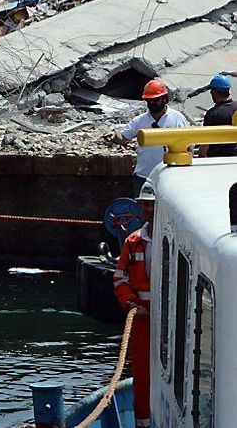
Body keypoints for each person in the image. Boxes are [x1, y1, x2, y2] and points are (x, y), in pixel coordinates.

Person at [113, 180, 156, 427]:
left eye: (153, 205)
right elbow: (120, 278)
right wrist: (130, 304)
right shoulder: (133, 241)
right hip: (141, 320)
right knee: (141, 373)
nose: (149, 210)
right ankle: (142, 423)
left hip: (171, 321)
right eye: (145, 205)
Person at [103, 79, 189, 196]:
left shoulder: (177, 118)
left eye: (155, 100)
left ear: (164, 99)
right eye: (149, 100)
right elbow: (124, 137)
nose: (152, 103)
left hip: (170, 175)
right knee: (144, 211)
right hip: (144, 176)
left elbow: (188, 144)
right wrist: (114, 135)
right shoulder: (140, 121)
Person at [201, 73, 237, 157]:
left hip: (218, 161)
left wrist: (200, 157)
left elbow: (205, 142)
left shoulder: (212, 114)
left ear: (214, 92)